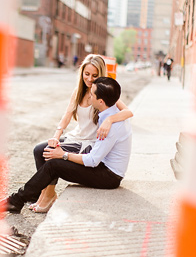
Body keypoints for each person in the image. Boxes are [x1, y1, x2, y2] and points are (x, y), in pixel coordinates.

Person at [2, 77, 132, 213]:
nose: (90, 95)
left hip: (108, 176)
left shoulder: (110, 127)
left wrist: (63, 155)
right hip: (103, 166)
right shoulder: (109, 115)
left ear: (100, 101)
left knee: (54, 165)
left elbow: (92, 160)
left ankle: (16, 200)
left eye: (92, 94)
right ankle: (28, 196)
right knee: (48, 155)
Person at [28, 54, 133, 213]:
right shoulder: (78, 91)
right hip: (76, 137)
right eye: (87, 74)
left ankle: (46, 196)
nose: (90, 79)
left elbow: (128, 112)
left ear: (101, 75)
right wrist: (56, 136)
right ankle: (47, 193)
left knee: (50, 156)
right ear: (82, 72)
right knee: (40, 149)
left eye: (95, 75)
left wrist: (109, 119)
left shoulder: (102, 93)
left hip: (89, 143)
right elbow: (67, 115)